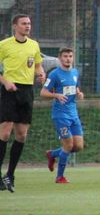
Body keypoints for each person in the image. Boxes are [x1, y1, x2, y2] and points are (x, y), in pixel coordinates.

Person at [0, 14, 46, 192]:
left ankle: (10, 175)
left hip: (27, 91)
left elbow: (37, 65)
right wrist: (5, 82)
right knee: (4, 132)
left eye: (29, 23)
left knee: (21, 135)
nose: (27, 26)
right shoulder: (4, 45)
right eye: (24, 23)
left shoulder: (34, 45)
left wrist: (41, 74)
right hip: (9, 90)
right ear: (15, 26)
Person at [41, 47, 85, 184]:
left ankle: (52, 154)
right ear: (60, 58)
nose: (68, 59)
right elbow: (43, 93)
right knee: (68, 144)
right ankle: (60, 177)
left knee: (78, 146)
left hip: (74, 114)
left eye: (70, 56)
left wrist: (79, 93)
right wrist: (56, 95)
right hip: (60, 115)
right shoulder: (55, 74)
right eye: (65, 56)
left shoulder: (75, 72)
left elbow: (75, 86)